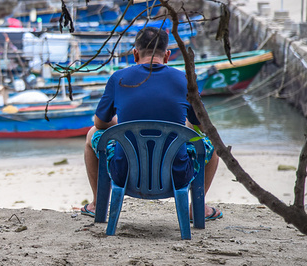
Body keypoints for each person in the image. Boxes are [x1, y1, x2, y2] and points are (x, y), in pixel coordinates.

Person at [82, 26, 222, 221]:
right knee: (212, 144)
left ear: (135, 54)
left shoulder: (118, 78)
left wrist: (122, 125)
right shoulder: (184, 80)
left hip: (124, 172)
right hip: (176, 175)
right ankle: (197, 207)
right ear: (167, 55)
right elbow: (202, 126)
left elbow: (100, 122)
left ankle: (98, 205)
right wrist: (182, 127)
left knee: (91, 134)